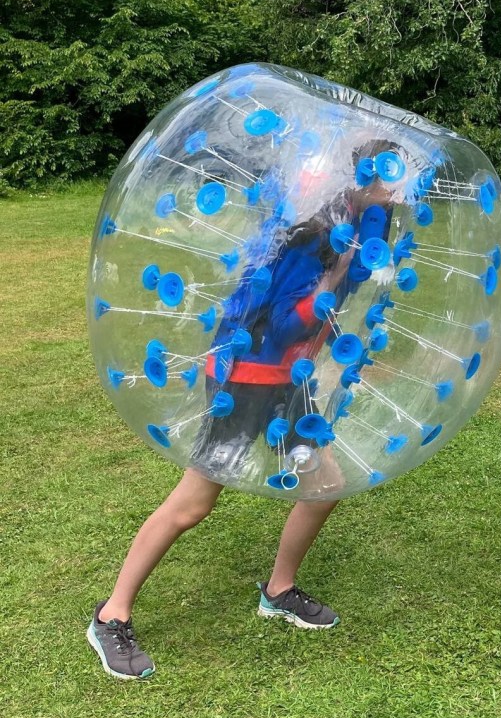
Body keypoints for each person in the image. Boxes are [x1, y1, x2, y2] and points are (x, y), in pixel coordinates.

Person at [87, 148, 399, 680]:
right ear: (358, 180)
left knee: (327, 482)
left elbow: (370, 257)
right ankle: (110, 615)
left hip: (288, 378)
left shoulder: (355, 219)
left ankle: (278, 590)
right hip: (246, 377)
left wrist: (380, 214)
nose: (397, 184)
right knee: (194, 503)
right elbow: (281, 325)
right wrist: (332, 279)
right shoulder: (309, 238)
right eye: (388, 175)